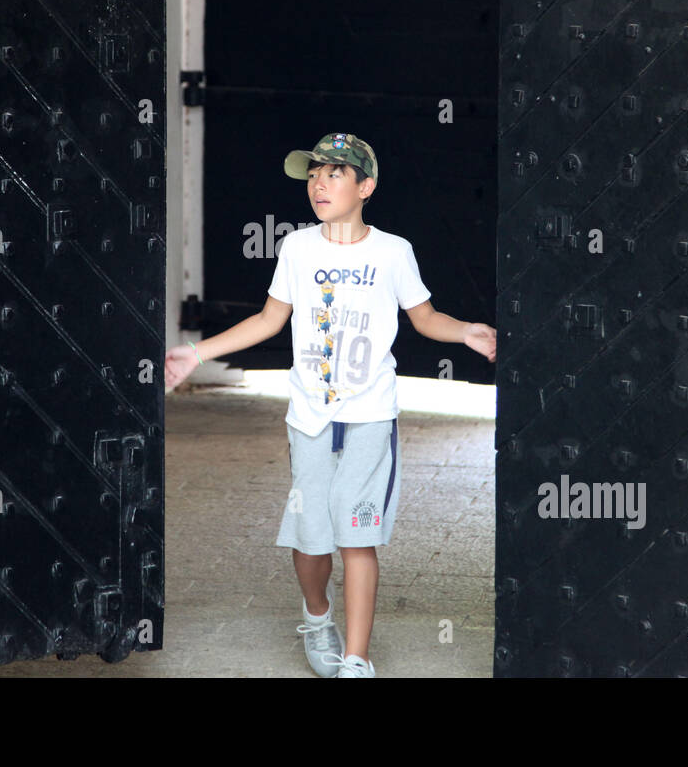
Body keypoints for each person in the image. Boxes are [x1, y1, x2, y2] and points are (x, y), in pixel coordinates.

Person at [164, 132, 496, 678]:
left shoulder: (393, 252)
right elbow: (268, 320)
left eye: (335, 173)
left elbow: (425, 317)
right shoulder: (297, 247)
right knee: (311, 534)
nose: (319, 183)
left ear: (366, 186)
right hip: (310, 418)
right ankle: (317, 616)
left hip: (369, 416)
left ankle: (356, 659)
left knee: (356, 536)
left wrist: (467, 334)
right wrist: (197, 353)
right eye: (314, 173)